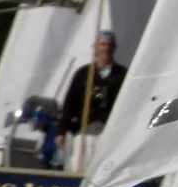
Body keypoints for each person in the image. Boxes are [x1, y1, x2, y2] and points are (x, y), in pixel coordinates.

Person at [52, 33, 126, 171]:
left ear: (114, 48)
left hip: (107, 132)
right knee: (79, 168)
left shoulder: (121, 75)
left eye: (109, 45)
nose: (106, 48)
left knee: (103, 170)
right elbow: (70, 102)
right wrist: (62, 131)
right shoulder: (83, 74)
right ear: (96, 47)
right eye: (103, 44)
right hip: (84, 132)